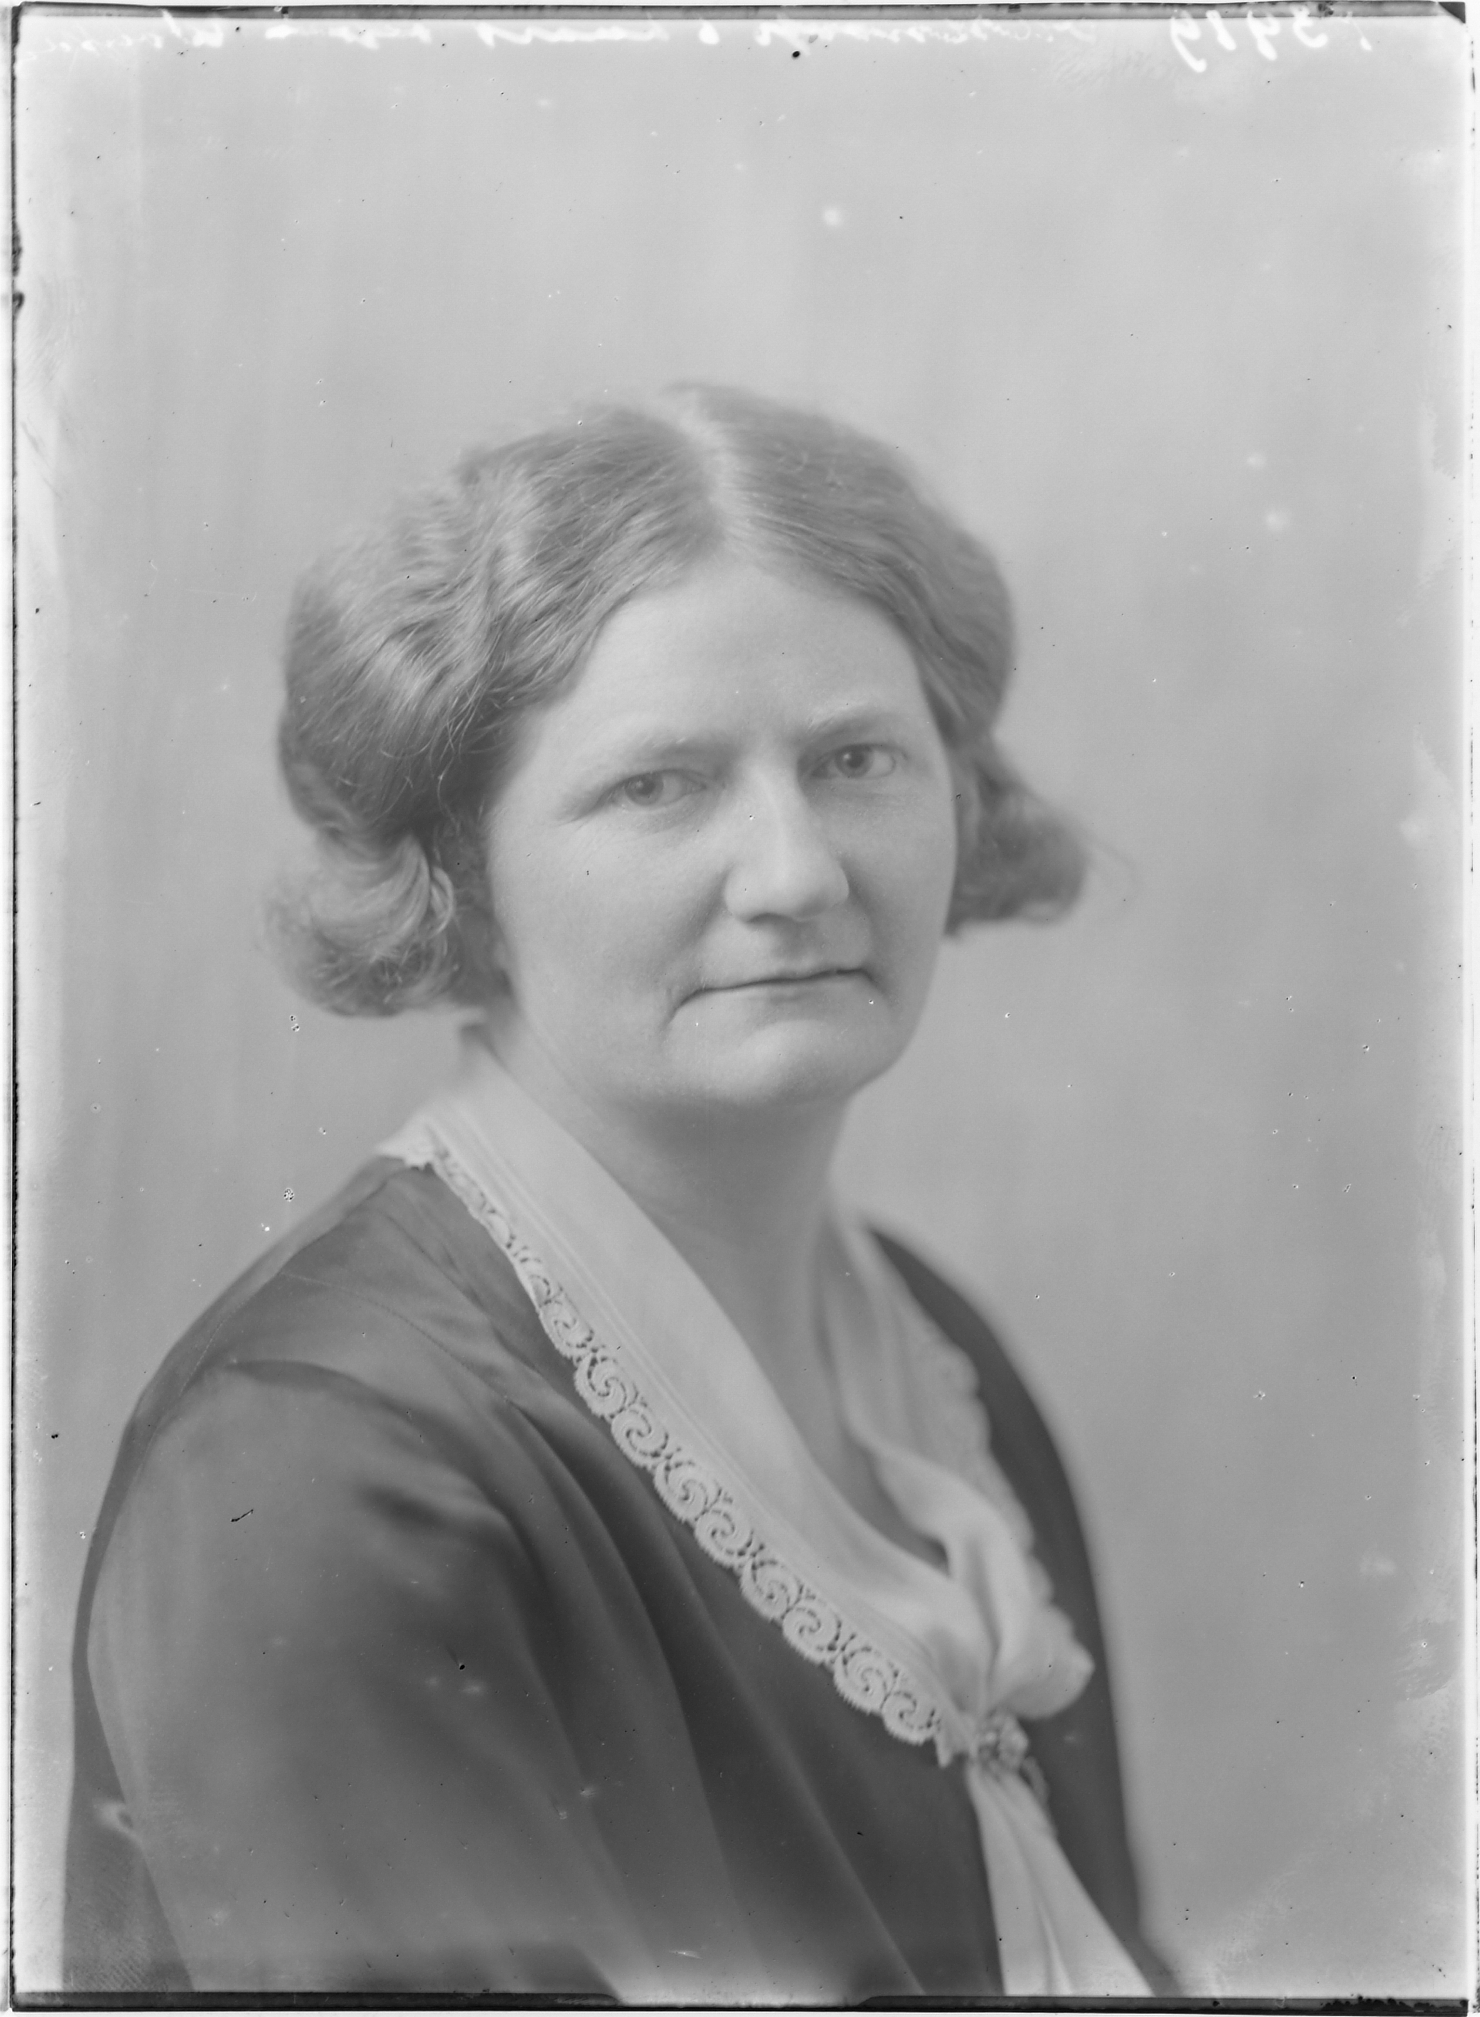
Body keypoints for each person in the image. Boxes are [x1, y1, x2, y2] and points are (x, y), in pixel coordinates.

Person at [65, 385, 1169, 2000]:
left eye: (856, 758)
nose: (796, 872)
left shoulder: (938, 1363)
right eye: (661, 784)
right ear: (463, 873)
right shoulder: (322, 1467)